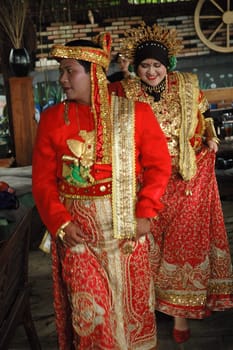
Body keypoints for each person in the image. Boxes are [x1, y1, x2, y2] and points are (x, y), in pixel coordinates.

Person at [32, 32, 171, 349]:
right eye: (61, 71)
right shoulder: (53, 119)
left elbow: (159, 167)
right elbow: (42, 181)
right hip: (77, 233)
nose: (63, 79)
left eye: (70, 71)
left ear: (94, 72)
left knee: (129, 306)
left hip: (126, 229)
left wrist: (146, 212)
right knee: (91, 310)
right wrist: (61, 224)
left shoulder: (134, 114)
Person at [108, 22, 233, 344]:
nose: (151, 71)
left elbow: (205, 116)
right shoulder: (123, 91)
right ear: (136, 68)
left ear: (168, 66)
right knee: (146, 246)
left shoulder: (188, 86)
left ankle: (180, 315)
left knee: (183, 244)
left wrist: (211, 137)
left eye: (157, 65)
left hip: (187, 177)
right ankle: (148, 308)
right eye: (145, 66)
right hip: (144, 181)